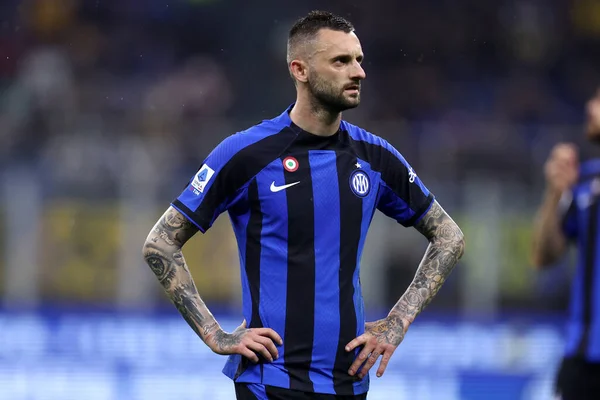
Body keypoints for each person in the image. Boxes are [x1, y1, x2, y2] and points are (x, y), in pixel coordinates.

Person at [142, 10, 465, 400]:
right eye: (341, 61)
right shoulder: (247, 153)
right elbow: (160, 242)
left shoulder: (375, 157)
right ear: (300, 69)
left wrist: (398, 320)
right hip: (271, 381)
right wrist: (214, 333)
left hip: (349, 382)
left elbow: (449, 236)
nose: (358, 72)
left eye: (359, 60)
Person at [531, 88, 600, 400]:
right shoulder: (586, 184)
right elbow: (543, 255)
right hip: (582, 361)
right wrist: (555, 193)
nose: (590, 106)